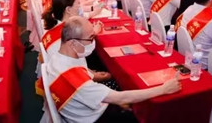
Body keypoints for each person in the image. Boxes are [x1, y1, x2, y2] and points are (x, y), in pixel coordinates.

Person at [48, 16, 180, 122]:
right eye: (91, 38)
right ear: (73, 43)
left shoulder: (58, 57)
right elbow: (122, 98)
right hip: (96, 118)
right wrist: (164, 89)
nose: (93, 42)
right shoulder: (77, 83)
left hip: (87, 109)